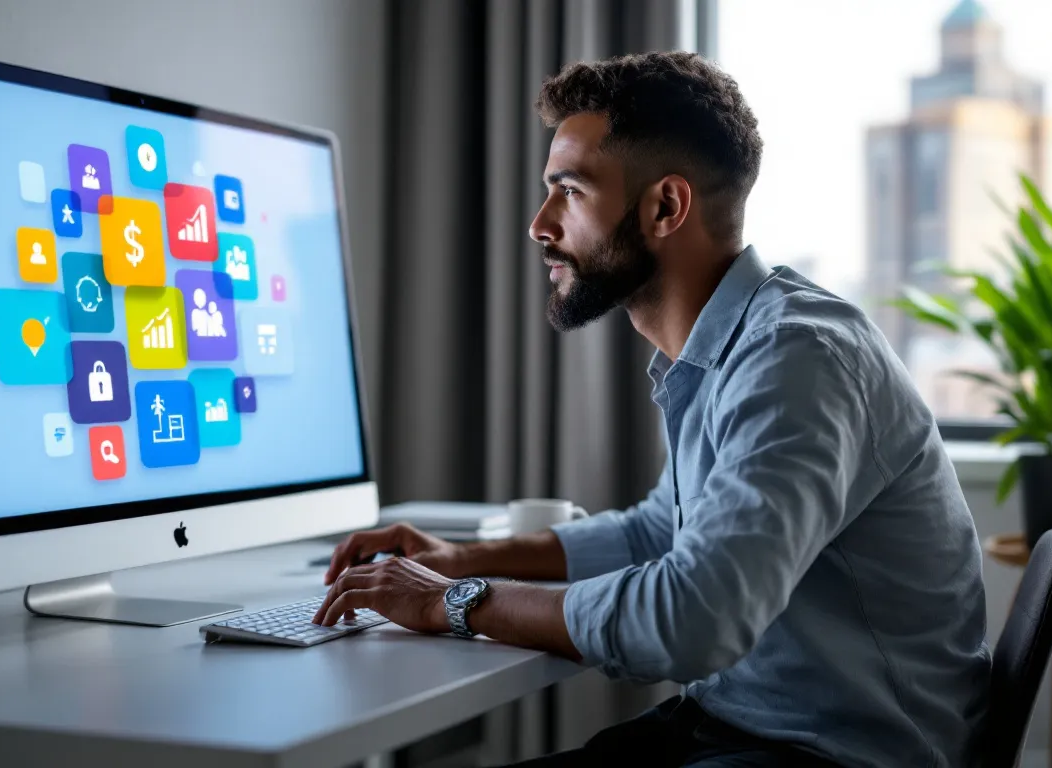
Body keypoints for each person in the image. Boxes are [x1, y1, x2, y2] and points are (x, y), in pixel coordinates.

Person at [312, 51, 990, 768]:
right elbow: (659, 531)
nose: (540, 225)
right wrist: (458, 560)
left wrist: (455, 600)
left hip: (839, 756)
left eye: (569, 191)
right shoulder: (724, 351)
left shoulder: (797, 360)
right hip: (740, 727)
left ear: (665, 206)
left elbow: (693, 620)